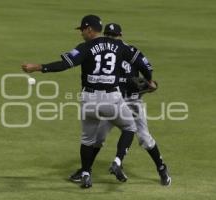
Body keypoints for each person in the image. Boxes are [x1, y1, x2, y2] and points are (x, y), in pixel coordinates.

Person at [22, 15, 138, 189]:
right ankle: (117, 161)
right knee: (130, 127)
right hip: (112, 99)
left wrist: (38, 67)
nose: (81, 34)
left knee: (87, 139)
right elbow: (137, 61)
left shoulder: (85, 47)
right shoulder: (118, 46)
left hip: (89, 100)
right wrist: (148, 79)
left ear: (89, 29)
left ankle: (85, 173)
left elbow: (64, 64)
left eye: (82, 30)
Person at [69, 23, 171, 186]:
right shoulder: (114, 51)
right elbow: (143, 73)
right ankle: (86, 169)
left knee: (144, 137)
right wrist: (147, 83)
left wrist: (148, 84)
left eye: (112, 35)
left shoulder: (127, 51)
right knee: (99, 138)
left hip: (129, 101)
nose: (111, 38)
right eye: (109, 35)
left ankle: (161, 168)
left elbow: (145, 71)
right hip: (114, 102)